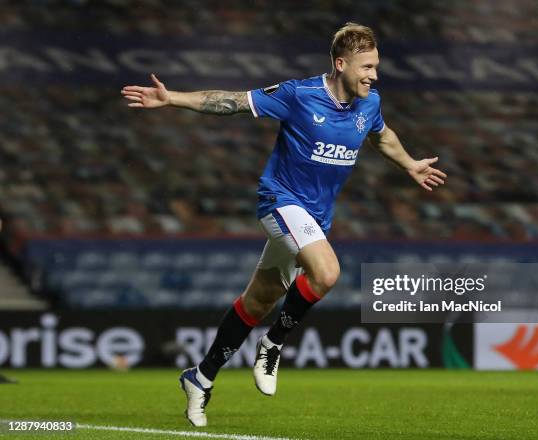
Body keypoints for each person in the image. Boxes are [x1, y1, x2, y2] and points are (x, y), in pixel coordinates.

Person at [121, 22, 446, 427]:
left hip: (315, 218)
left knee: (257, 302)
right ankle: (273, 344)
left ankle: (200, 377)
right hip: (280, 201)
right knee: (327, 273)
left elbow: (382, 136)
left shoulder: (370, 104)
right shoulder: (299, 94)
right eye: (366, 67)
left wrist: (411, 163)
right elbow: (232, 101)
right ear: (340, 64)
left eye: (376, 66)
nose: (374, 75)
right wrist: (172, 99)